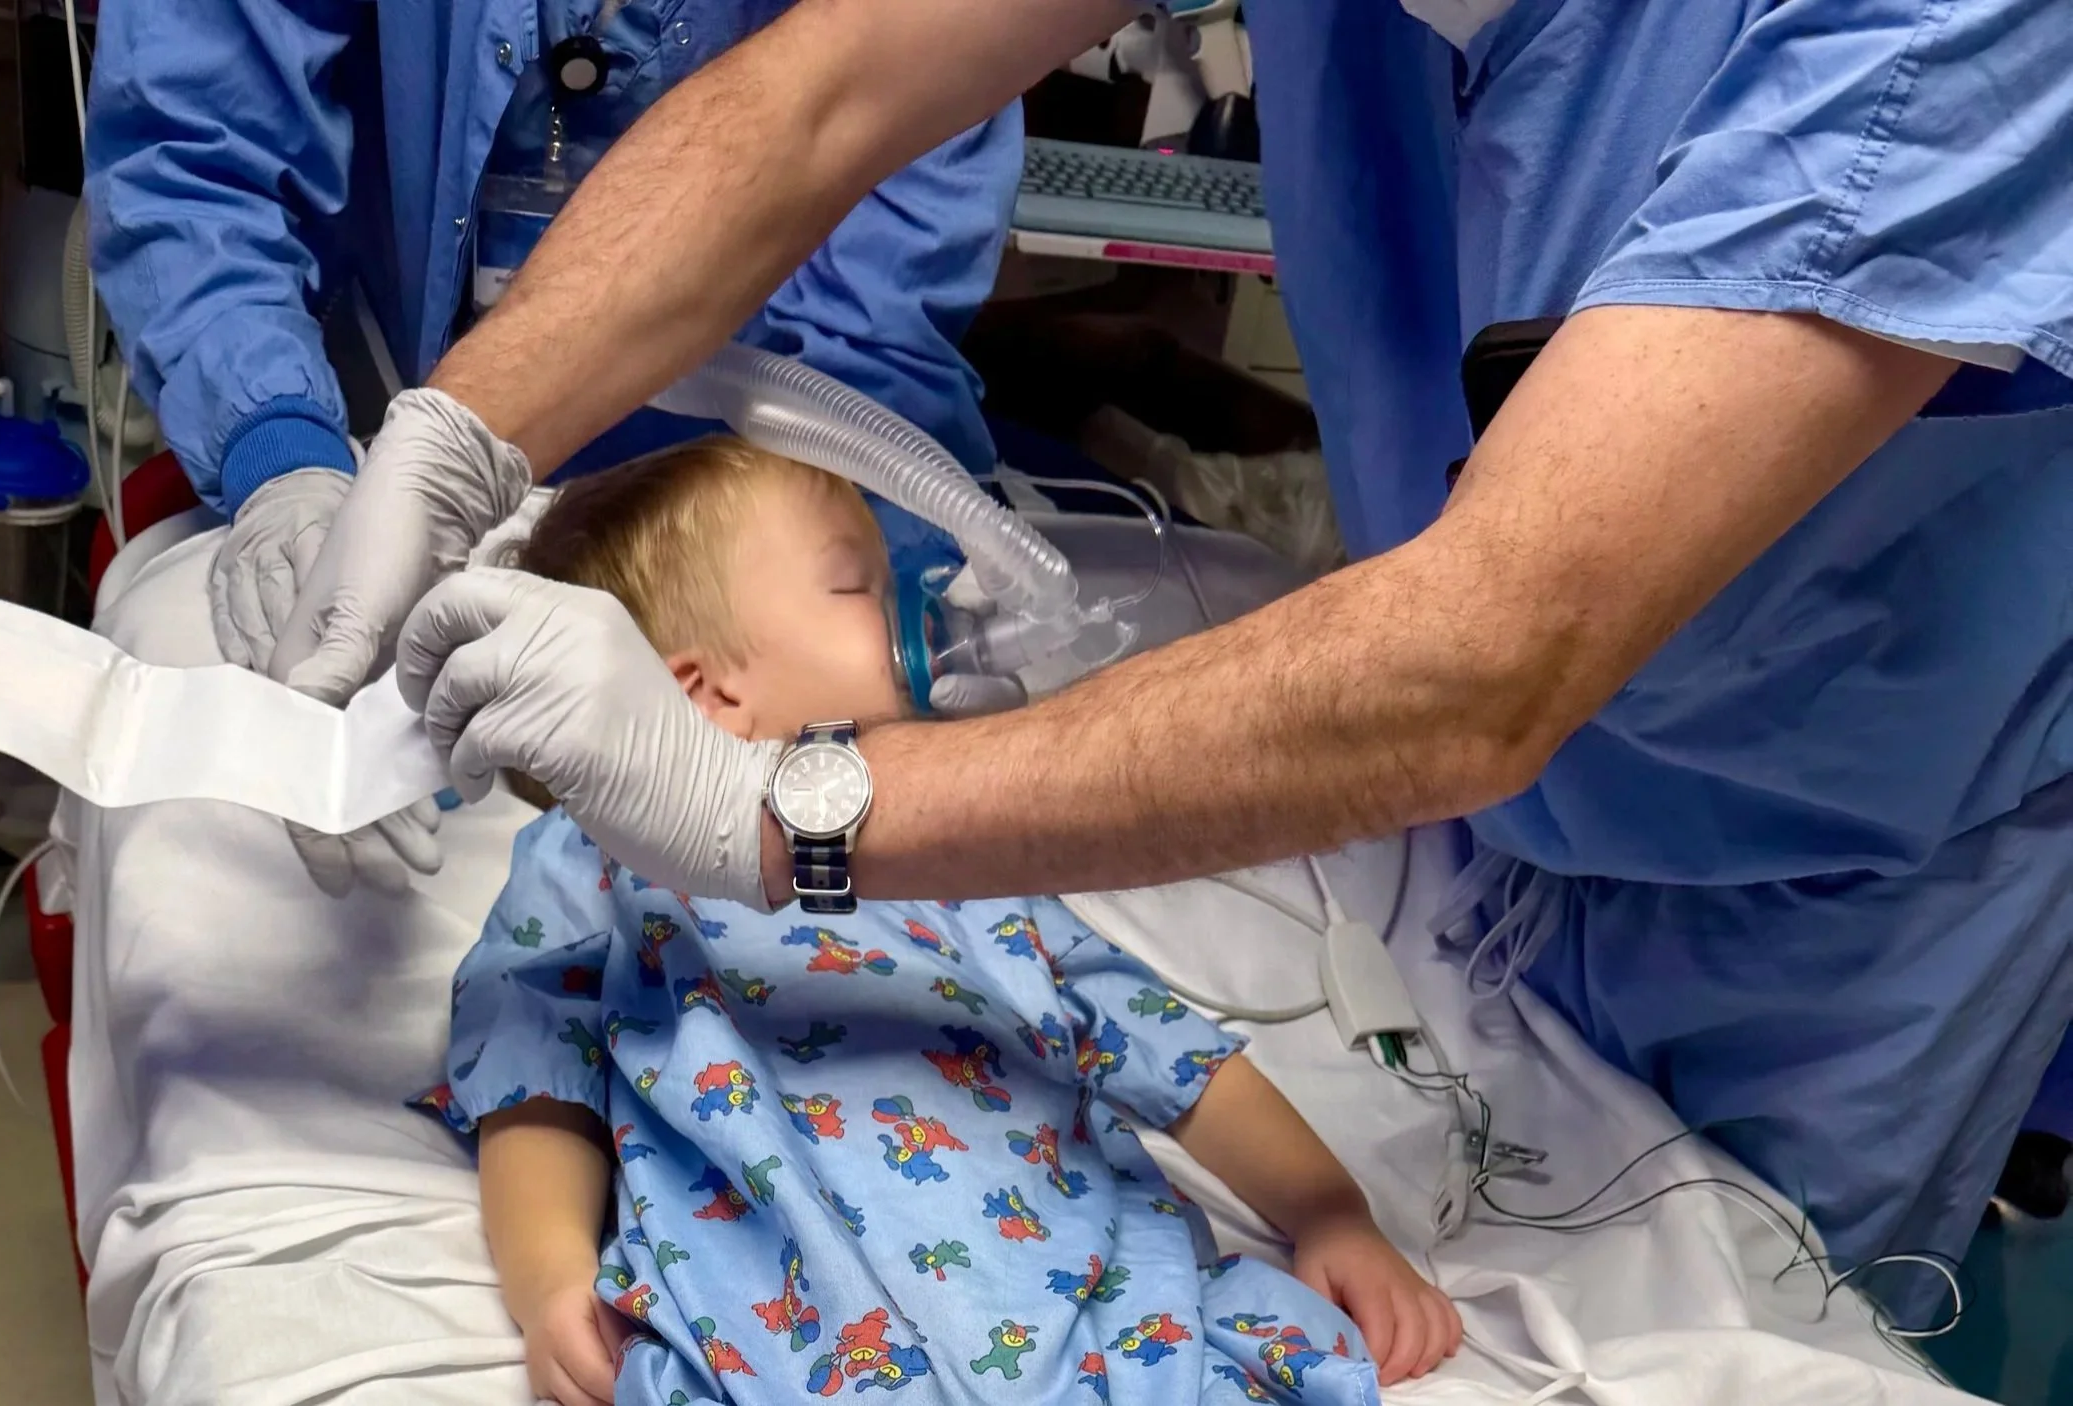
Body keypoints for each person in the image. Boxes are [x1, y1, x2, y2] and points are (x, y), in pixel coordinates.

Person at [278, 0, 2073, 1316]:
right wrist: (461, 429)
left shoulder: (1935, 37)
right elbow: (820, 95)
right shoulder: (581, 881)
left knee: (1751, 1308)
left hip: (1844, 852)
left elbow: (1479, 662)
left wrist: (785, 807)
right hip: (1462, 822)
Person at [428, 439, 1459, 1406]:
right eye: (856, 588)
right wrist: (550, 1277)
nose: (920, 611)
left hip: (1105, 1307)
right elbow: (534, 1080)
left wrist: (1330, 1213)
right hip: (788, 1322)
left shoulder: (961, 857)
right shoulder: (596, 857)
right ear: (704, 693)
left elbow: (1169, 1052)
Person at [79, 0, 1020, 896]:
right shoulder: (594, 914)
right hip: (419, 451)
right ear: (698, 692)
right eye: (856, 588)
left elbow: (869, 140)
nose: (925, 633)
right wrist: (278, 453)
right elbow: (193, 143)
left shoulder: (905, 840)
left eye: (862, 586)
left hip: (781, 454)